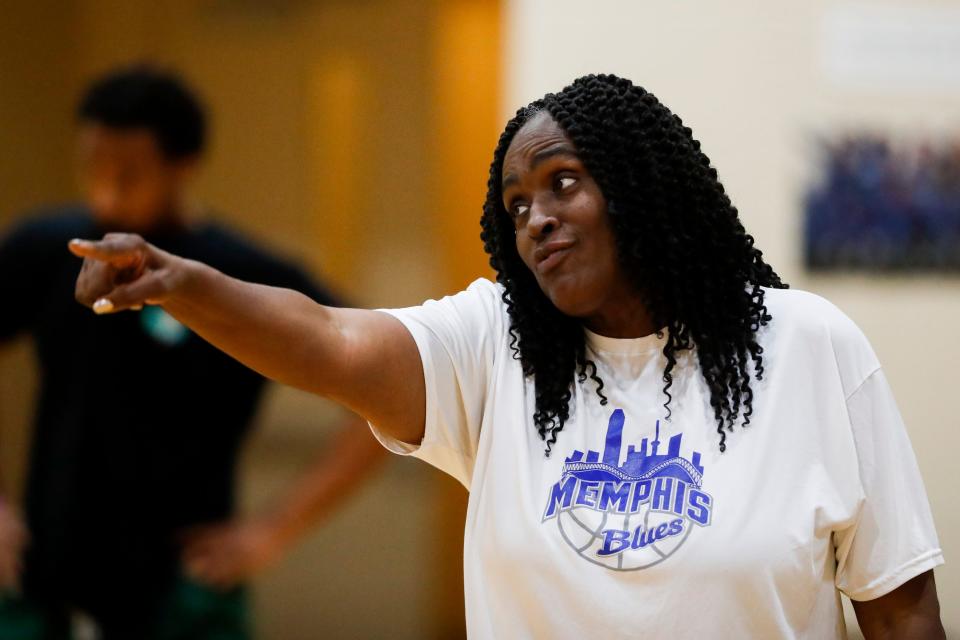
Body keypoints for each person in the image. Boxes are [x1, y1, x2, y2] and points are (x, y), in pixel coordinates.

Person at [68, 74, 945, 638]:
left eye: (562, 183)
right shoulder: (496, 344)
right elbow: (328, 338)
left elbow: (902, 613)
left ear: (642, 187)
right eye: (517, 205)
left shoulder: (809, 348)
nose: (537, 219)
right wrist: (184, 283)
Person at [0, 65, 386, 638]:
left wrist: (273, 530)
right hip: (44, 569)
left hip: (186, 586)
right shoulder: (46, 246)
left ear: (183, 165)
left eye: (128, 172)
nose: (105, 188)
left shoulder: (247, 272)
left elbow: (376, 386)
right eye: (93, 166)